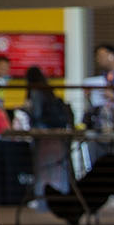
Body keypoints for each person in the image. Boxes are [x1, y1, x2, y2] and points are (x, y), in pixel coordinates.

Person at [23, 66, 72, 199]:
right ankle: (60, 192)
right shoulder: (47, 90)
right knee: (58, 165)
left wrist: (26, 110)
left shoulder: (35, 91)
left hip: (42, 133)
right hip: (56, 134)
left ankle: (40, 195)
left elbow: (37, 114)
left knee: (41, 165)